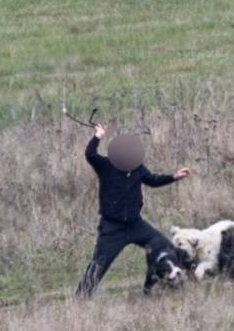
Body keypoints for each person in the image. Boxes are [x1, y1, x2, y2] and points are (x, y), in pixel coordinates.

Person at [75, 123, 190, 297]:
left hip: (136, 225)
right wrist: (98, 135)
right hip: (112, 228)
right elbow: (90, 154)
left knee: (164, 244)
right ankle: (81, 298)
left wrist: (173, 177)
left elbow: (152, 180)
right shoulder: (106, 166)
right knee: (99, 264)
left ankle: (165, 280)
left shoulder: (138, 168)